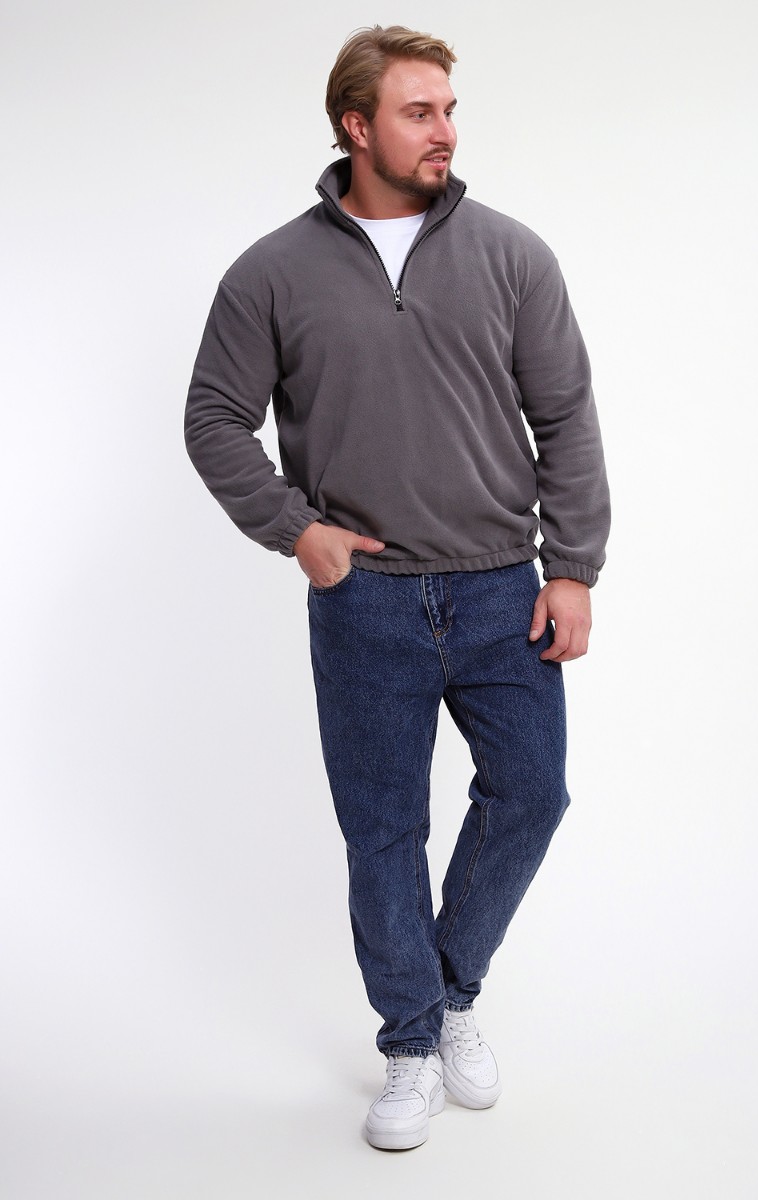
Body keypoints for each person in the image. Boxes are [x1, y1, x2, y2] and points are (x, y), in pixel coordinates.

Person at [184, 24, 610, 1151]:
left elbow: (565, 418)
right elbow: (214, 419)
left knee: (533, 794)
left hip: (501, 590)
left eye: (449, 109)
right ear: (355, 125)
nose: (445, 131)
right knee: (382, 832)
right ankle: (411, 1044)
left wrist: (571, 568)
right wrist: (297, 531)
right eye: (420, 112)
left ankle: (449, 989)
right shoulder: (272, 271)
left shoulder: (511, 254)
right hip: (364, 599)